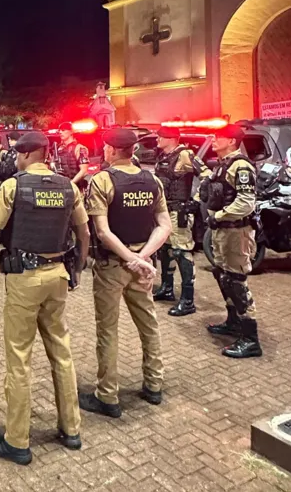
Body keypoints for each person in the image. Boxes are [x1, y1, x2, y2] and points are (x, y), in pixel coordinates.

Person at [0, 131, 90, 465]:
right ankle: (71, 429)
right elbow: (84, 233)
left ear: (29, 154)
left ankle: (17, 440)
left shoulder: (13, 187)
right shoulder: (68, 187)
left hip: (24, 278)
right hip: (57, 274)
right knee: (61, 351)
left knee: (19, 357)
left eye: (18, 153)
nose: (15, 157)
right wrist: (79, 268)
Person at [79, 129, 172, 417]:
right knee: (149, 324)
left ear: (111, 149)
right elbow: (164, 225)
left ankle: (107, 395)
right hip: (142, 267)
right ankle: (154, 385)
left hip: (112, 266)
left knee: (107, 330)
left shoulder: (103, 180)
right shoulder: (152, 180)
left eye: (105, 147)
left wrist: (131, 257)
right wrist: (142, 258)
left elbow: (102, 232)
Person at [200, 124, 263, 358]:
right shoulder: (222, 165)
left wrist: (218, 215)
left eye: (218, 137)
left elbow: (246, 203)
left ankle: (251, 339)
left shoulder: (241, 166)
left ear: (232, 142)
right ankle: (233, 321)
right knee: (223, 275)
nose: (213, 140)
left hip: (237, 231)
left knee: (236, 280)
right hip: (222, 231)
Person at [151, 126, 198, 316]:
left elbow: (206, 175)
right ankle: (167, 289)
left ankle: (188, 301)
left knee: (181, 252)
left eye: (159, 137)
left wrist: (196, 201)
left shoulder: (185, 155)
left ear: (170, 138)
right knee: (166, 250)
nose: (156, 140)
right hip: (165, 211)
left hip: (179, 212)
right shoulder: (163, 157)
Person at [54, 121, 91, 190]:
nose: (60, 132)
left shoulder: (79, 148)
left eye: (63, 130)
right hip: (61, 186)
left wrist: (71, 184)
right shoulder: (59, 149)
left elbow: (84, 171)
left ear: (71, 132)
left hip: (76, 187)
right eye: (59, 131)